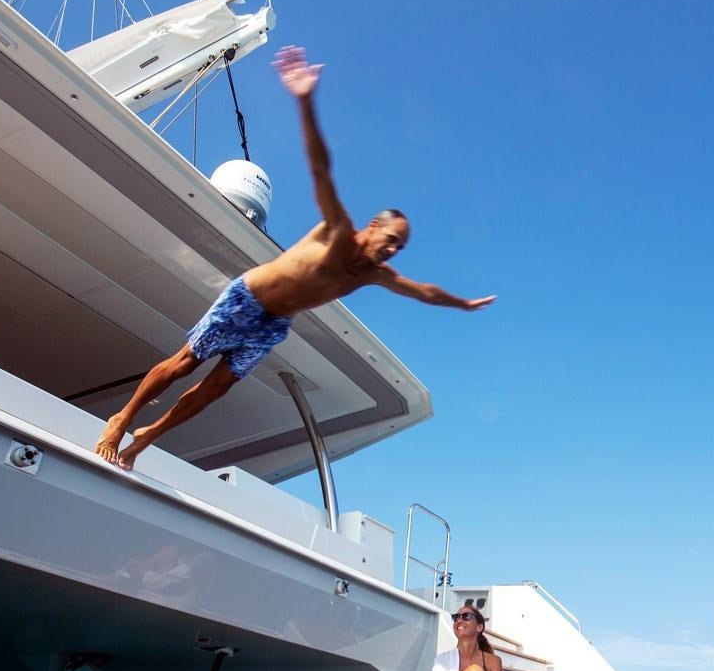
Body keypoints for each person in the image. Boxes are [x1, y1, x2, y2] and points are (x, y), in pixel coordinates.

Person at [95, 44, 496, 469]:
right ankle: (122, 420)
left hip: (272, 326)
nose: (393, 250)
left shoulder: (374, 274)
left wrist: (463, 304)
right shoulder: (338, 230)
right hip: (247, 299)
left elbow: (424, 291)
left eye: (400, 247)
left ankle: (148, 437)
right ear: (373, 226)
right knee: (185, 363)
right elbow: (320, 169)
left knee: (215, 390)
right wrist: (305, 101)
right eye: (392, 239)